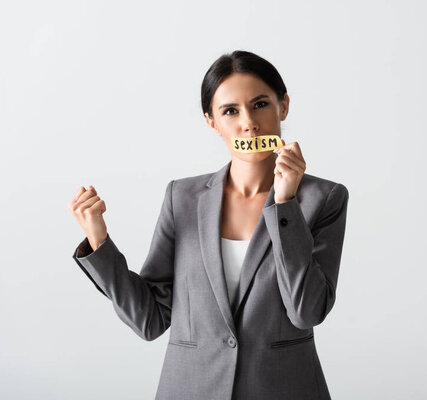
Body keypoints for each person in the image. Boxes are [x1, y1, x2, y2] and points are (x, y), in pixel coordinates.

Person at [68, 50, 349, 400]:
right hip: (190, 388)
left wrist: (285, 203)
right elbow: (150, 319)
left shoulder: (325, 199)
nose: (248, 122)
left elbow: (307, 311)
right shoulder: (181, 198)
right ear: (211, 122)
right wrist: (98, 240)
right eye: (230, 111)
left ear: (284, 106)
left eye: (260, 104)